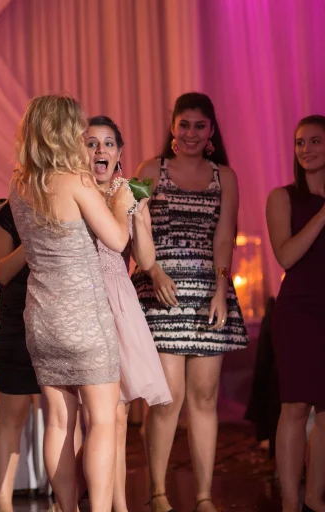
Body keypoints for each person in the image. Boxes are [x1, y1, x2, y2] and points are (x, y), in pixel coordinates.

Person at [9, 94, 134, 511]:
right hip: (84, 318)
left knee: (59, 421)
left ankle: (65, 508)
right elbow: (117, 241)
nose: (84, 134)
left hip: (42, 318)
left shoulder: (19, 185)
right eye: (79, 127)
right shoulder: (75, 181)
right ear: (64, 131)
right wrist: (122, 205)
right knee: (101, 420)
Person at [131, 92, 248, 512]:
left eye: (200, 125)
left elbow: (224, 236)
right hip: (160, 292)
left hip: (206, 294)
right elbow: (134, 228)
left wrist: (221, 289)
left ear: (211, 130)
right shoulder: (149, 171)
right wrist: (153, 271)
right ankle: (157, 493)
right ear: (173, 128)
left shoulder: (225, 177)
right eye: (185, 125)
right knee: (169, 397)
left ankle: (203, 496)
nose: (192, 133)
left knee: (204, 397)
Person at [82, 115, 173, 511]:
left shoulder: (131, 190)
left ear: (119, 152)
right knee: (92, 416)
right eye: (91, 143)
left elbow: (146, 260)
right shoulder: (75, 189)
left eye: (108, 143)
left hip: (118, 300)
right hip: (83, 299)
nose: (100, 150)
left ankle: (119, 504)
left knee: (118, 416)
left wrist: (137, 211)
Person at [266, 114, 325, 512]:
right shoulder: (283, 197)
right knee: (295, 406)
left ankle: (314, 499)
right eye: (300, 142)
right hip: (299, 312)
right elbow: (286, 256)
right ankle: (290, 503)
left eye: (315, 141)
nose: (306, 149)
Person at [0, 196, 42, 512]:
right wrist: (31, 239)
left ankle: (65, 500)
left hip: (61, 318)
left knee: (65, 415)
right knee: (13, 412)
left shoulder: (70, 200)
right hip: (18, 319)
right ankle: (4, 503)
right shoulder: (9, 212)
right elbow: (2, 271)